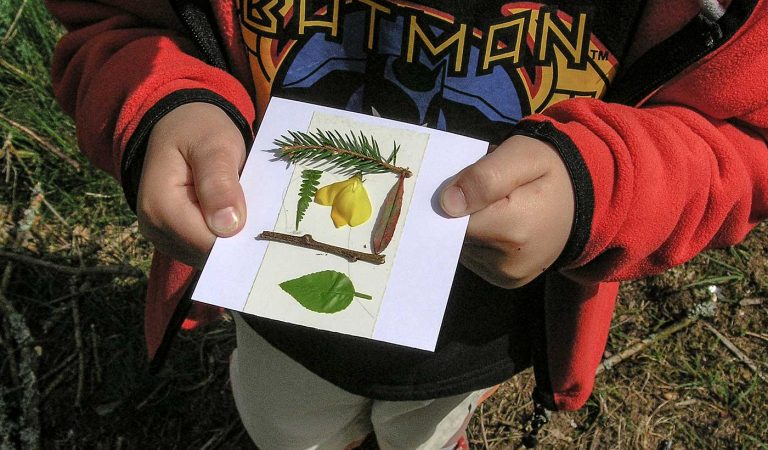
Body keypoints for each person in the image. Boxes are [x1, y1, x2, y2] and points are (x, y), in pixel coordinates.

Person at [47, 0, 767, 448]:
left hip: (476, 336)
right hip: (277, 319)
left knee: (423, 432)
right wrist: (171, 103)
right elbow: (120, 23)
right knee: (288, 426)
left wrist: (599, 183)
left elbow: (737, 136)